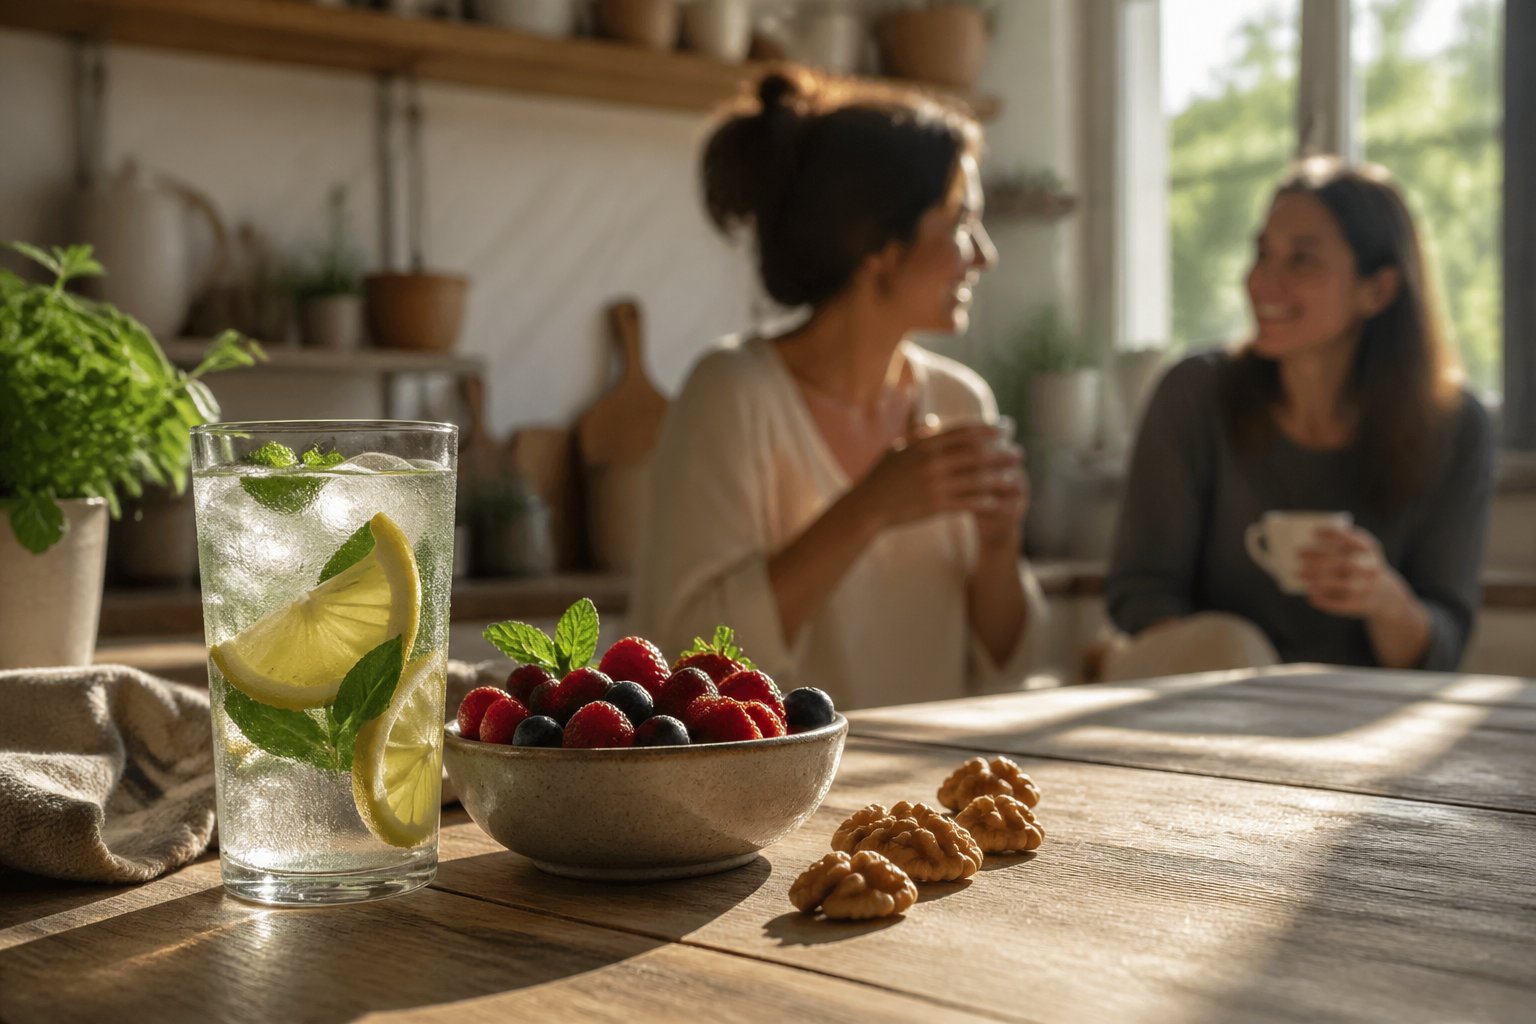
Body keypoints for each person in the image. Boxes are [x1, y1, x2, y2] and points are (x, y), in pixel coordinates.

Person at [629, 68, 1044, 709]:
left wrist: (999, 546)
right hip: (776, 799)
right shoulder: (732, 394)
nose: (983, 254)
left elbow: (1004, 663)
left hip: (925, 796)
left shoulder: (961, 402)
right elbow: (687, 656)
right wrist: (869, 508)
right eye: (961, 223)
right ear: (880, 245)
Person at [1104, 156, 1494, 678]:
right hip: (1202, 710)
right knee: (1231, 643)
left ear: (1377, 290)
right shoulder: (1193, 394)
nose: (1262, 282)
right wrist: (1233, 678)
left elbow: (1441, 648)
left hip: (1354, 722)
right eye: (1263, 253)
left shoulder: (1457, 427)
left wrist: (1383, 599)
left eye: (1301, 261)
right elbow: (1141, 594)